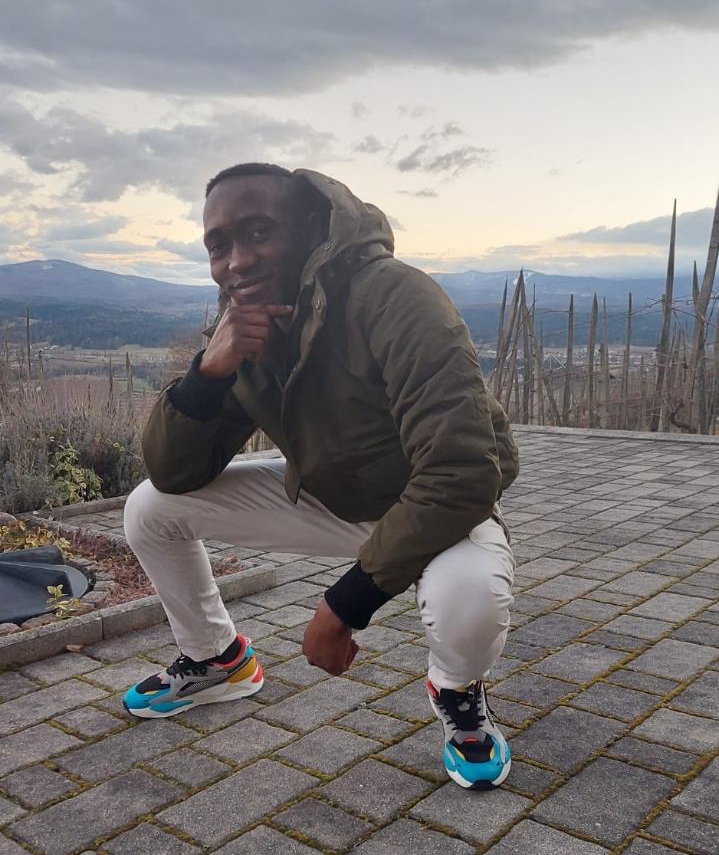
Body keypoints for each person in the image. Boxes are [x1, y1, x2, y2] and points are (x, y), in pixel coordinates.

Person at [122, 164, 519, 789]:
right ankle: (218, 660)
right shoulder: (249, 326)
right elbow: (175, 473)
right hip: (331, 499)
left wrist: (344, 604)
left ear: (310, 228)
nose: (237, 261)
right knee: (150, 508)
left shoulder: (396, 297)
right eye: (219, 245)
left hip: (436, 510)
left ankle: (458, 691)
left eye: (259, 232)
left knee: (467, 595)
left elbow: (462, 470)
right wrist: (207, 375)